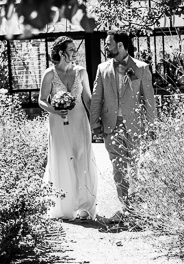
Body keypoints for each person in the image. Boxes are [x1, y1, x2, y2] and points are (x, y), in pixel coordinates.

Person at [90, 30, 156, 223]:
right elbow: (96, 99)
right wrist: (95, 124)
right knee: (118, 169)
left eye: (108, 43)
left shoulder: (141, 68)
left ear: (120, 45)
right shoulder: (102, 69)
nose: (105, 47)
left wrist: (152, 127)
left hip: (136, 127)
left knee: (137, 168)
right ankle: (127, 208)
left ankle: (139, 210)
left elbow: (149, 100)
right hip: (112, 126)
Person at [38, 36, 98, 221]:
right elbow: (41, 100)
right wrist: (55, 111)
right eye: (71, 49)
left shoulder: (81, 72)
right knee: (63, 160)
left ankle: (83, 206)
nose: (75, 52)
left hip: (80, 121)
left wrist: (95, 122)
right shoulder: (49, 74)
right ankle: (64, 206)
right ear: (62, 52)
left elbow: (87, 99)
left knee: (81, 158)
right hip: (58, 124)